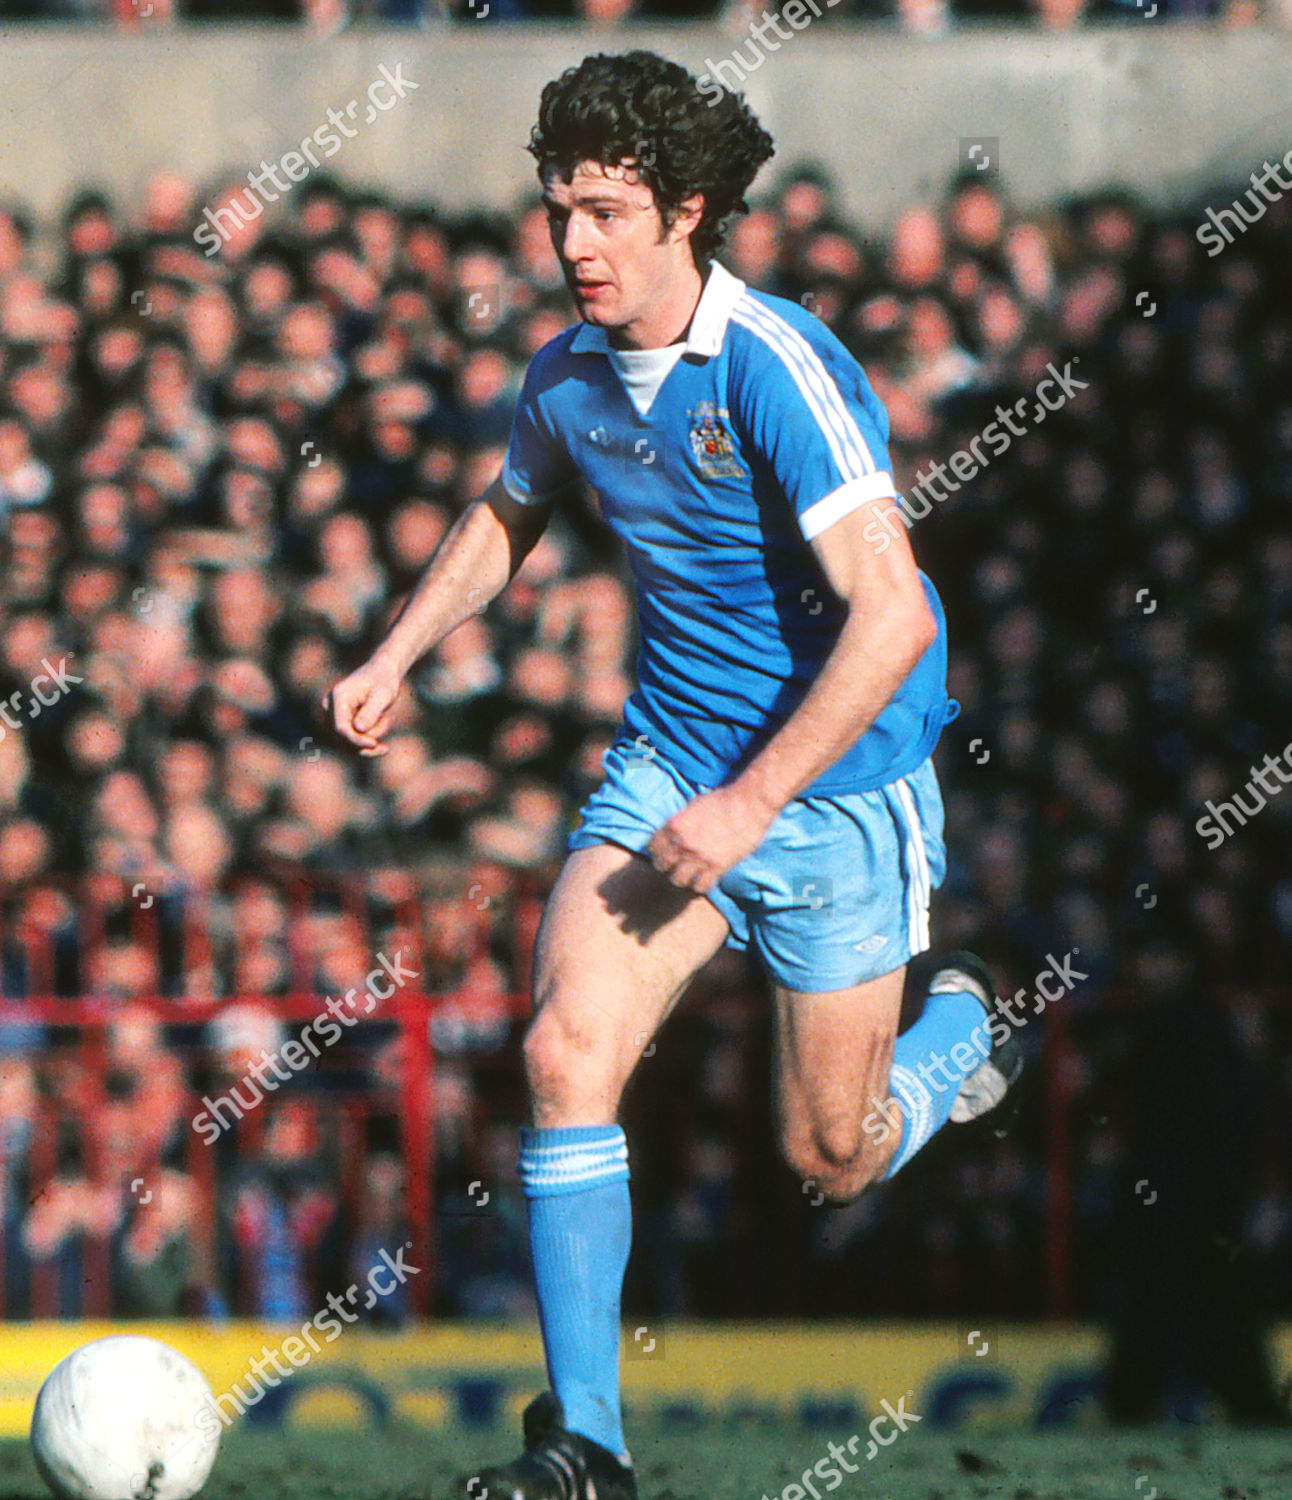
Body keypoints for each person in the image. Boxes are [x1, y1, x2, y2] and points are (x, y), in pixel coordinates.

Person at [325, 50, 1022, 1500]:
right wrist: (396, 651)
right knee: (564, 1051)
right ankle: (587, 1445)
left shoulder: (774, 365)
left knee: (830, 1154)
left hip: (832, 797)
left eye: (606, 210)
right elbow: (504, 510)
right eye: (557, 208)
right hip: (670, 767)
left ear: (684, 209)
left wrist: (759, 801)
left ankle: (956, 1031)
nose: (574, 242)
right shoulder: (566, 374)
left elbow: (891, 617)